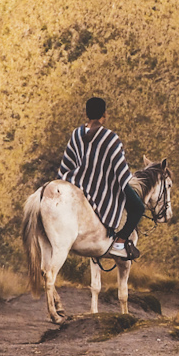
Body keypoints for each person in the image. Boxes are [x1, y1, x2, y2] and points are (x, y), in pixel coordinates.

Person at [57, 96, 144, 259]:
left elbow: (68, 162)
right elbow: (120, 170)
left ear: (86, 114)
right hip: (103, 185)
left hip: (78, 182)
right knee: (138, 207)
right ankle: (119, 243)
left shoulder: (77, 133)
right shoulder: (110, 138)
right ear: (105, 114)